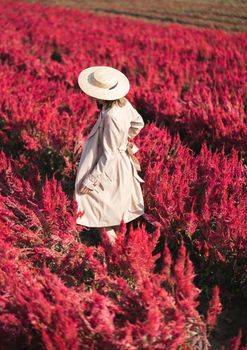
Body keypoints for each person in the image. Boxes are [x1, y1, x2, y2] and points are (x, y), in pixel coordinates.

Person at [74, 66, 145, 245]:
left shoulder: (112, 116)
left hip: (110, 168)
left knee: (99, 210)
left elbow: (109, 154)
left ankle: (116, 255)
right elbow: (139, 122)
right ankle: (117, 253)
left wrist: (91, 180)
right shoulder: (122, 103)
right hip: (115, 162)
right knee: (101, 211)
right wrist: (125, 139)